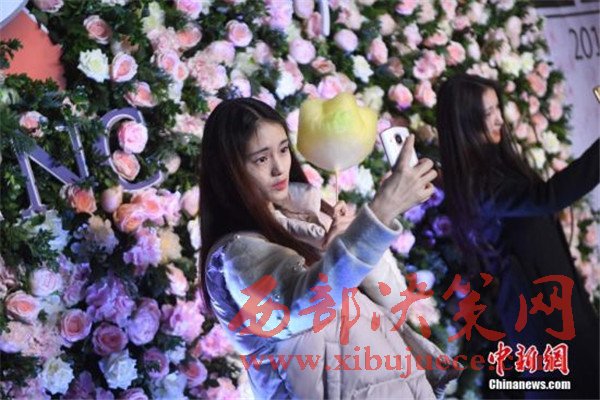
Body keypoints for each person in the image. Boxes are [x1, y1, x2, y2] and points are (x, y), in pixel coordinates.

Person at [199, 98, 460, 399]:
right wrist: (381, 212)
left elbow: (394, 299)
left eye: (283, 150)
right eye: (261, 159)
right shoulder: (237, 254)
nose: (278, 168)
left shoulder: (311, 217)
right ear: (229, 171)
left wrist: (352, 238)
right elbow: (301, 306)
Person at [436, 73, 599, 399]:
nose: (499, 119)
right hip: (539, 315)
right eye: (488, 113)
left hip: (560, 299)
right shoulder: (475, 184)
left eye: (497, 108)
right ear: (465, 122)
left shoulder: (498, 163)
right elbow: (547, 197)